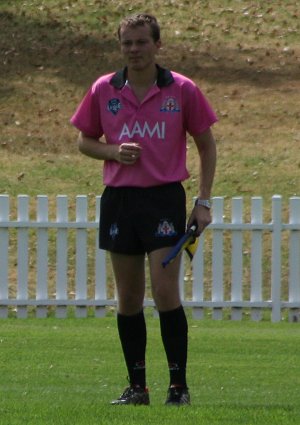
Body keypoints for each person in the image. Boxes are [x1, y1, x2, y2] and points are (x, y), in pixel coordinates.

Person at [70, 13, 217, 406]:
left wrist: (203, 201)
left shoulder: (182, 90)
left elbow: (207, 145)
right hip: (120, 201)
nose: (134, 50)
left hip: (164, 198)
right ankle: (138, 388)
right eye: (127, 43)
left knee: (166, 292)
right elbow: (85, 141)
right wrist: (112, 151)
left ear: (157, 45)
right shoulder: (104, 88)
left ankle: (178, 387)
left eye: (141, 42)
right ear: (121, 47)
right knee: (129, 298)